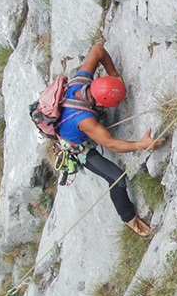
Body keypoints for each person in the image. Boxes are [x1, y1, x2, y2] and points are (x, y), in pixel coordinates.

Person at [56, 42, 164, 237]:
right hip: (77, 147)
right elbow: (111, 144)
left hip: (77, 121)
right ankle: (129, 219)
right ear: (98, 102)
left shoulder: (80, 81)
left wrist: (113, 74)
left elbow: (98, 49)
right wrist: (142, 145)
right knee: (116, 177)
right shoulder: (85, 121)